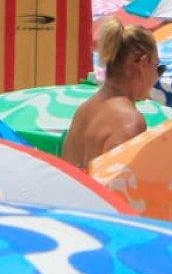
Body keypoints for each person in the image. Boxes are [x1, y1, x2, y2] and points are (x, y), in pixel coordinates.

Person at [65, 18, 159, 171]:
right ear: (143, 64)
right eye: (156, 66)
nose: (156, 76)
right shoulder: (131, 122)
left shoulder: (84, 111)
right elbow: (118, 185)